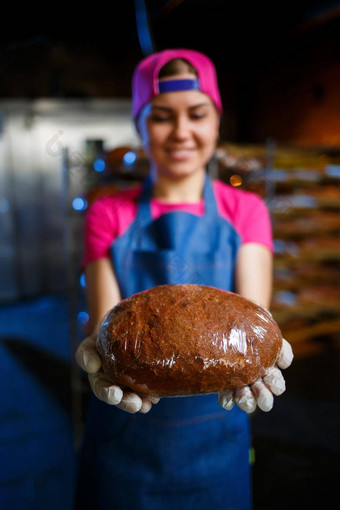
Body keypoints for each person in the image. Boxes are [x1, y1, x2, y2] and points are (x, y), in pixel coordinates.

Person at [75, 48, 293, 510]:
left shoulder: (246, 211)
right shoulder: (106, 213)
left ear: (217, 122)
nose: (181, 132)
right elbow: (104, 323)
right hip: (124, 434)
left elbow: (253, 322)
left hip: (219, 434)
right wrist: (99, 346)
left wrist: (265, 352)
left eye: (197, 114)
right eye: (161, 117)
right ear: (140, 125)